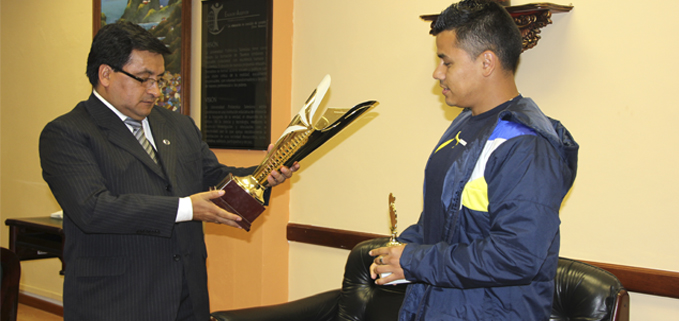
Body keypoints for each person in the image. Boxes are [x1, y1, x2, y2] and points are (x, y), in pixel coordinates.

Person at [39, 21, 299, 321]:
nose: (155, 90)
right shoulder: (67, 133)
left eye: (160, 79)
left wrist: (264, 174)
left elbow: (214, 177)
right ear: (105, 74)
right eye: (144, 79)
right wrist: (186, 208)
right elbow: (92, 208)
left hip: (187, 296)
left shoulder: (178, 125)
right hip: (116, 300)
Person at [369, 1, 579, 320]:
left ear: (486, 62)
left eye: (446, 62)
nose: (437, 73)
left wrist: (414, 260)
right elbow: (443, 220)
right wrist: (401, 251)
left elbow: (517, 256)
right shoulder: (464, 125)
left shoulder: (526, 145)